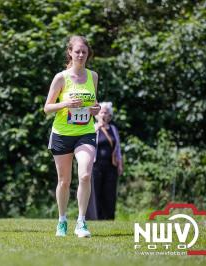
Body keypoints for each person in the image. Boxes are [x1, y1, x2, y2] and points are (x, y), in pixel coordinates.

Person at [44, 36, 100, 238]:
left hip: (85, 132)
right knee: (64, 181)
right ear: (70, 53)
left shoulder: (93, 76)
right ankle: (62, 220)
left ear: (88, 54)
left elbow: (95, 104)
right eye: (77, 51)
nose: (81, 55)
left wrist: (96, 109)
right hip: (62, 134)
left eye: (84, 52)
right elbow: (47, 108)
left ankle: (81, 222)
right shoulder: (61, 77)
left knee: (85, 174)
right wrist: (65, 104)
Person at [86, 102, 123, 220]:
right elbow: (87, 145)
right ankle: (95, 217)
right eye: (101, 112)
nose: (103, 115)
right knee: (95, 192)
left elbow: (118, 149)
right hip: (95, 165)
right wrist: (96, 129)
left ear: (109, 115)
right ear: (97, 115)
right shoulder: (92, 127)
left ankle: (108, 218)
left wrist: (120, 165)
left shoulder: (113, 129)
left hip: (111, 165)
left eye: (106, 113)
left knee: (109, 193)